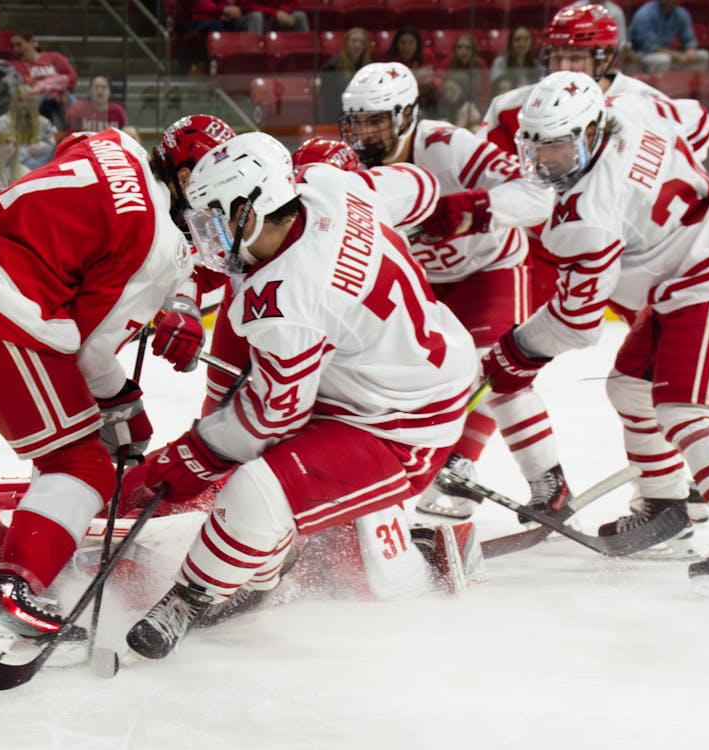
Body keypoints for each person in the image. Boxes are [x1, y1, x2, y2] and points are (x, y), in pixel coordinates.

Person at [123, 131, 478, 659]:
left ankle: (196, 594)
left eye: (214, 219)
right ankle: (260, 554)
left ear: (251, 209)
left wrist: (186, 460)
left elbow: (267, 419)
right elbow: (418, 185)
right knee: (249, 470)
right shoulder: (330, 184)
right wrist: (455, 209)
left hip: (401, 422)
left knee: (255, 490)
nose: (207, 237)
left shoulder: (289, 298)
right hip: (395, 373)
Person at [0, 125, 211, 664]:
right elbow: (90, 351)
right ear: (185, 177)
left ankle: (34, 544)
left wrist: (178, 302)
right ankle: (12, 589)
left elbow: (75, 143)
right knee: (84, 463)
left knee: (63, 447)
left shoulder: (114, 143)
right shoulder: (157, 244)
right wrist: (124, 404)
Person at [503, 70, 709, 597]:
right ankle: (665, 506)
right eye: (538, 148)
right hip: (699, 265)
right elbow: (698, 121)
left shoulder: (585, 212)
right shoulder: (635, 106)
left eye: (560, 148)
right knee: (630, 388)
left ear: (590, 132)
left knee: (688, 409)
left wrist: (516, 350)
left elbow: (575, 322)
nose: (546, 162)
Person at [479, 3, 709, 527]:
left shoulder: (641, 102)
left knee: (662, 377)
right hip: (549, 252)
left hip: (634, 261)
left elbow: (693, 143)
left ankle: (679, 480)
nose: (565, 62)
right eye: (558, 52)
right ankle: (510, 474)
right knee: (499, 353)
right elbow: (497, 177)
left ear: (607, 56)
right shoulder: (516, 106)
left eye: (578, 54)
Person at [339, 62, 564, 522]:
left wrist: (469, 209)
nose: (364, 133)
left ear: (406, 115)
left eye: (376, 119)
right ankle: (454, 469)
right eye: (357, 121)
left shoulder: (446, 145)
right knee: (422, 381)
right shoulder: (353, 167)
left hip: (491, 266)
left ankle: (549, 481)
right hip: (428, 284)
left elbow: (538, 195)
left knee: (496, 372)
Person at [9, 30, 78, 131]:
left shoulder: (54, 57)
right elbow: (30, 85)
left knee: (70, 99)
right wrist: (56, 82)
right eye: (13, 46)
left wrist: (54, 86)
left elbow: (72, 77)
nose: (16, 49)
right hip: (37, 99)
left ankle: (76, 132)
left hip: (61, 95)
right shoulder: (17, 65)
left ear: (32, 42)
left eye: (19, 45)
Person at [628, 0, 709, 74]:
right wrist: (676, 56)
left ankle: (690, 87)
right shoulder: (645, 13)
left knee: (703, 56)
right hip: (640, 55)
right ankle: (656, 88)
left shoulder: (681, 13)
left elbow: (689, 40)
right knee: (663, 60)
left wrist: (690, 50)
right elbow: (649, 46)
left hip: (669, 53)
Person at [383, 25, 440, 118]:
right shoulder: (390, 62)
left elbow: (437, 80)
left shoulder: (427, 56)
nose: (407, 47)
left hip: (425, 103)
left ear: (417, 44)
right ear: (397, 44)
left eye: (411, 42)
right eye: (403, 43)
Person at [0, 82, 55, 170]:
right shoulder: (4, 121)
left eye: (29, 101)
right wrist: (28, 151)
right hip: (12, 163)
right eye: (20, 100)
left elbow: (51, 144)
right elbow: (3, 147)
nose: (25, 104)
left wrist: (41, 146)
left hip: (39, 160)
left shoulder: (44, 122)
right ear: (14, 102)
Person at [319, 27, 371, 124]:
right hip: (338, 118)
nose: (357, 45)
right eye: (354, 41)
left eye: (362, 42)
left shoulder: (369, 68)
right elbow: (329, 101)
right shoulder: (332, 67)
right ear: (346, 43)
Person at [439, 32, 489, 109]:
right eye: (460, 47)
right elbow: (441, 90)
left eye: (467, 47)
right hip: (450, 106)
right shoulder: (447, 64)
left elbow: (485, 93)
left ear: (473, 50)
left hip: (474, 107)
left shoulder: (480, 65)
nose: (463, 51)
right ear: (455, 50)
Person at [489, 26, 538, 90]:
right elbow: (497, 89)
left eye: (526, 39)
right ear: (511, 43)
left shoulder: (535, 64)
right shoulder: (500, 62)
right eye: (517, 40)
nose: (522, 43)